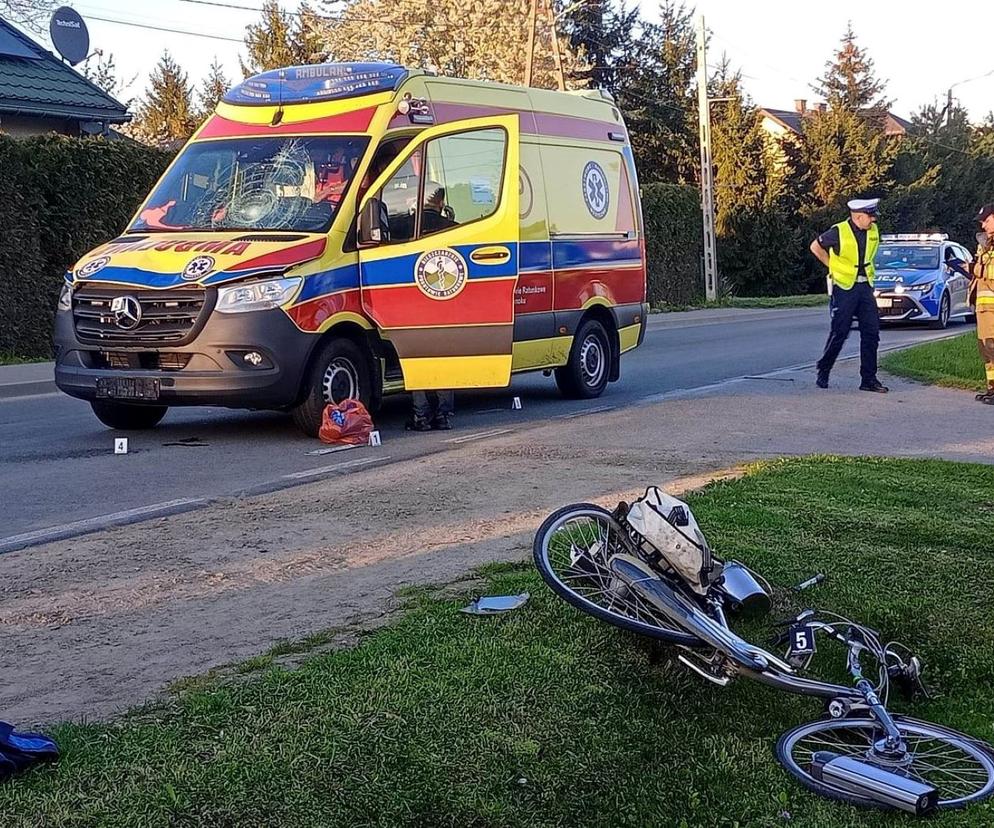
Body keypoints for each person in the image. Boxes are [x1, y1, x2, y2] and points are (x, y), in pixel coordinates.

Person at [811, 197, 888, 393]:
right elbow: (815, 247)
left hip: (865, 287)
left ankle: (868, 379)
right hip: (845, 288)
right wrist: (832, 266)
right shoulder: (839, 231)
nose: (874, 221)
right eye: (870, 217)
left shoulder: (873, 231)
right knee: (840, 332)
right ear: (859, 216)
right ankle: (824, 368)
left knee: (871, 333)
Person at [969, 204, 994, 404]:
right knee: (986, 349)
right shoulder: (985, 242)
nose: (983, 224)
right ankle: (991, 388)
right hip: (984, 306)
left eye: (986, 220)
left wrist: (973, 268)